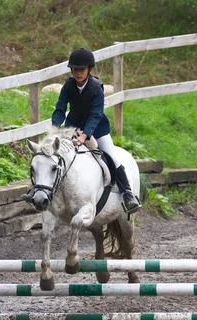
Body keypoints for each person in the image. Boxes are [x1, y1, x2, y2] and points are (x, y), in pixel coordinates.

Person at [51, 48, 141, 214]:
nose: (78, 73)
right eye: (75, 69)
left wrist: (85, 135)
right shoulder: (68, 86)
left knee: (112, 158)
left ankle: (128, 194)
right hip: (73, 129)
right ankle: (45, 192)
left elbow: (96, 115)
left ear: (90, 70)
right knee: (55, 156)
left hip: (97, 130)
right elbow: (60, 108)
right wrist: (55, 129)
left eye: (82, 70)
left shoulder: (96, 88)